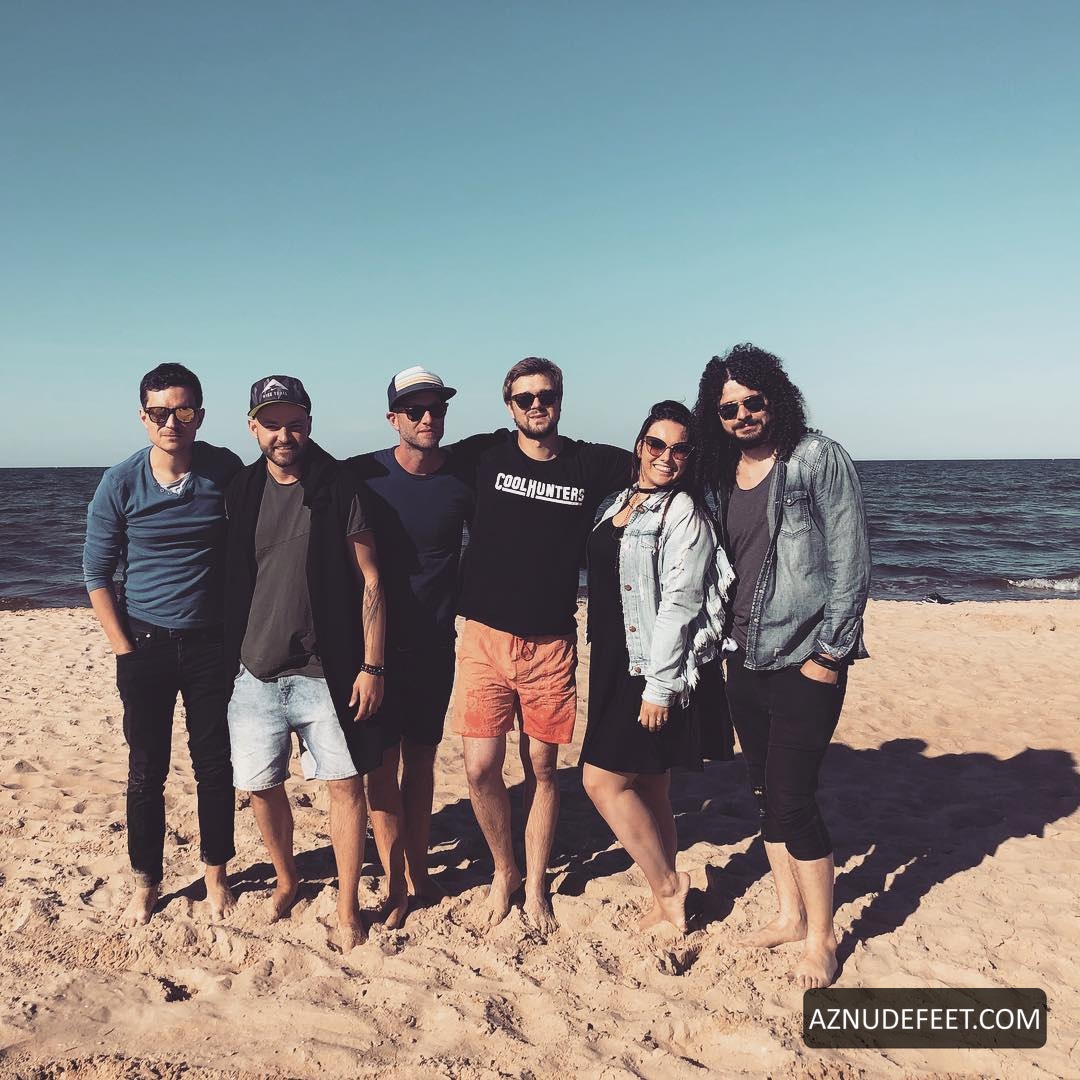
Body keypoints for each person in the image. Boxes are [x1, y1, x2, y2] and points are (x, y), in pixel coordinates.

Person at [694, 343, 871, 988]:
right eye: (729, 408)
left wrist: (831, 653)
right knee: (765, 792)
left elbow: (852, 561)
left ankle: (822, 938)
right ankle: (790, 915)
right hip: (742, 656)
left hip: (805, 657)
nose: (742, 415)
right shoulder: (721, 474)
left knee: (795, 798)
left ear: (775, 397)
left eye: (752, 401)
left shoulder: (816, 458)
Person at [453, 357, 631, 934]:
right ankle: (503, 869)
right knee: (480, 769)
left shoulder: (589, 463)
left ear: (560, 399)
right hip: (484, 638)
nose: (536, 405)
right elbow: (414, 465)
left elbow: (659, 462)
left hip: (551, 645)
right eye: (525, 397)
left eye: (546, 395)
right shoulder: (483, 455)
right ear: (509, 405)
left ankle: (533, 885)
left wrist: (634, 509)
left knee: (543, 769)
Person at [223, 375, 386, 950]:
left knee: (345, 786)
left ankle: (347, 905)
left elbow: (371, 578)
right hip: (255, 670)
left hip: (326, 670)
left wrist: (372, 666)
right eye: (272, 424)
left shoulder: (338, 485)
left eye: (294, 423)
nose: (284, 435)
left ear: (310, 424)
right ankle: (287, 879)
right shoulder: (240, 489)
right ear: (253, 428)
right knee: (261, 786)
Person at [83, 363, 241, 926]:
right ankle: (146, 882)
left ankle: (217, 875)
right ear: (143, 417)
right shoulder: (120, 482)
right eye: (159, 412)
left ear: (200, 414)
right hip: (145, 643)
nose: (171, 422)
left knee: (213, 765)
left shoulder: (225, 470)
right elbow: (97, 573)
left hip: (212, 646)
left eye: (183, 410)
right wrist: (124, 651)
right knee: (146, 771)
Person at [348, 367, 497, 923]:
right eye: (415, 410)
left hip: (436, 644)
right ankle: (394, 883)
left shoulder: (463, 479)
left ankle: (418, 870)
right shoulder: (362, 476)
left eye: (437, 408)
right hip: (375, 649)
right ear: (394, 419)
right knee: (380, 767)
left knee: (422, 761)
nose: (428, 417)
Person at [581, 400, 733, 933]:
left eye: (680, 449)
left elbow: (681, 604)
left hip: (648, 666)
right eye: (657, 444)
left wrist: (660, 687)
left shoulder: (683, 512)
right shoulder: (621, 501)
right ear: (639, 446)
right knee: (650, 785)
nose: (667, 457)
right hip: (613, 658)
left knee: (601, 781)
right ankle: (664, 897)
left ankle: (670, 886)